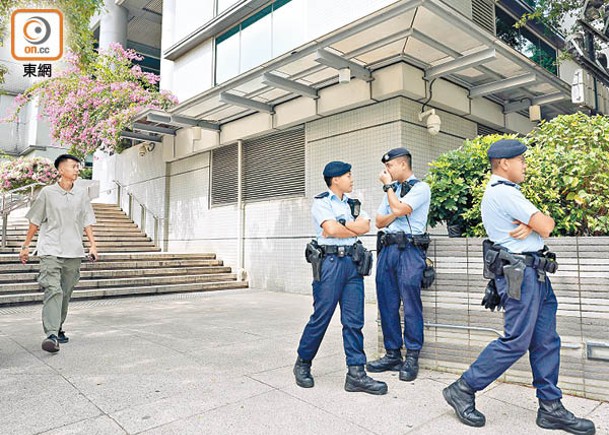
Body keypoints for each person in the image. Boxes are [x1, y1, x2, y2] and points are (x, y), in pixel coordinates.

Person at [443, 139, 595, 435]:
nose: (525, 165)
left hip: (534, 274)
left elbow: (544, 224)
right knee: (515, 340)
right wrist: (535, 224)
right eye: (521, 161)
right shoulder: (503, 193)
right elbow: (548, 225)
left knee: (546, 340)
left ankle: (550, 408)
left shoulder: (510, 194)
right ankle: (463, 388)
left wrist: (534, 224)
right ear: (504, 163)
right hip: (521, 275)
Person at [294, 161, 387, 395]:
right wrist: (347, 228)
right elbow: (331, 231)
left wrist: (343, 226)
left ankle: (356, 374)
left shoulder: (353, 204)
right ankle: (303, 363)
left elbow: (365, 226)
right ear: (335, 179)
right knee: (321, 317)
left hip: (352, 265)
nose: (351, 178)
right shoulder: (321, 202)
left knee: (354, 321)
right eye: (348, 175)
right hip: (330, 263)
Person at [19, 154, 98, 353]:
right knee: (53, 290)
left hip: (74, 251)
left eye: (78, 167)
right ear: (61, 170)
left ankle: (58, 326)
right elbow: (35, 221)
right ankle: (52, 335)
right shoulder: (47, 193)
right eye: (74, 166)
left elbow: (87, 221)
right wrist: (26, 246)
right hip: (50, 250)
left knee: (65, 292)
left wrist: (93, 245)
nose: (77, 170)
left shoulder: (81, 195)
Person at [366, 147, 431, 382]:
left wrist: (393, 200)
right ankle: (392, 353)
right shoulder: (391, 191)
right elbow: (380, 221)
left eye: (389, 166)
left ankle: (412, 355)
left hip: (410, 251)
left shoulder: (421, 188)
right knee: (387, 303)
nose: (386, 171)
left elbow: (399, 209)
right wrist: (396, 207)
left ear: (403, 164)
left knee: (411, 305)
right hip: (388, 250)